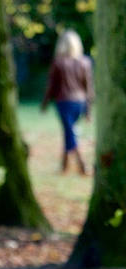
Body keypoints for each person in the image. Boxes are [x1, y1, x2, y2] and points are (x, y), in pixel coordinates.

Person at [40, 29, 94, 175]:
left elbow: (51, 86)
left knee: (69, 132)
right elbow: (89, 88)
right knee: (68, 131)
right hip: (80, 103)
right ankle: (64, 166)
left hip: (64, 102)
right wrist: (88, 110)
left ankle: (82, 164)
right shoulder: (85, 62)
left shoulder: (58, 63)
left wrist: (44, 104)